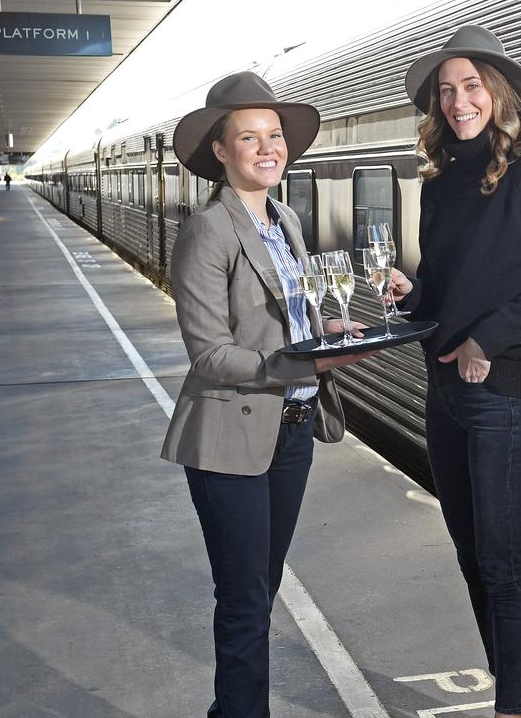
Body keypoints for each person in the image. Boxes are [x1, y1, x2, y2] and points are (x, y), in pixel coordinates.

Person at [161, 71, 374, 718]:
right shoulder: (208, 231)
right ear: (221, 152)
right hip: (229, 432)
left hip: (292, 430)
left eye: (274, 135)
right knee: (247, 600)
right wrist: (299, 362)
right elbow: (211, 355)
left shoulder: (285, 220)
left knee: (263, 587)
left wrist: (328, 334)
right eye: (247, 137)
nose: (265, 148)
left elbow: (293, 321)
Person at [399, 25, 521, 718]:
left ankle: (513, 713)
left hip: (504, 397)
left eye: (471, 85)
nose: (457, 101)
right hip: (444, 395)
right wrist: (410, 293)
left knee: (506, 569)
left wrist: (487, 340)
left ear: (498, 91)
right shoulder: (441, 182)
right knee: (473, 560)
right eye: (446, 90)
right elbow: (449, 289)